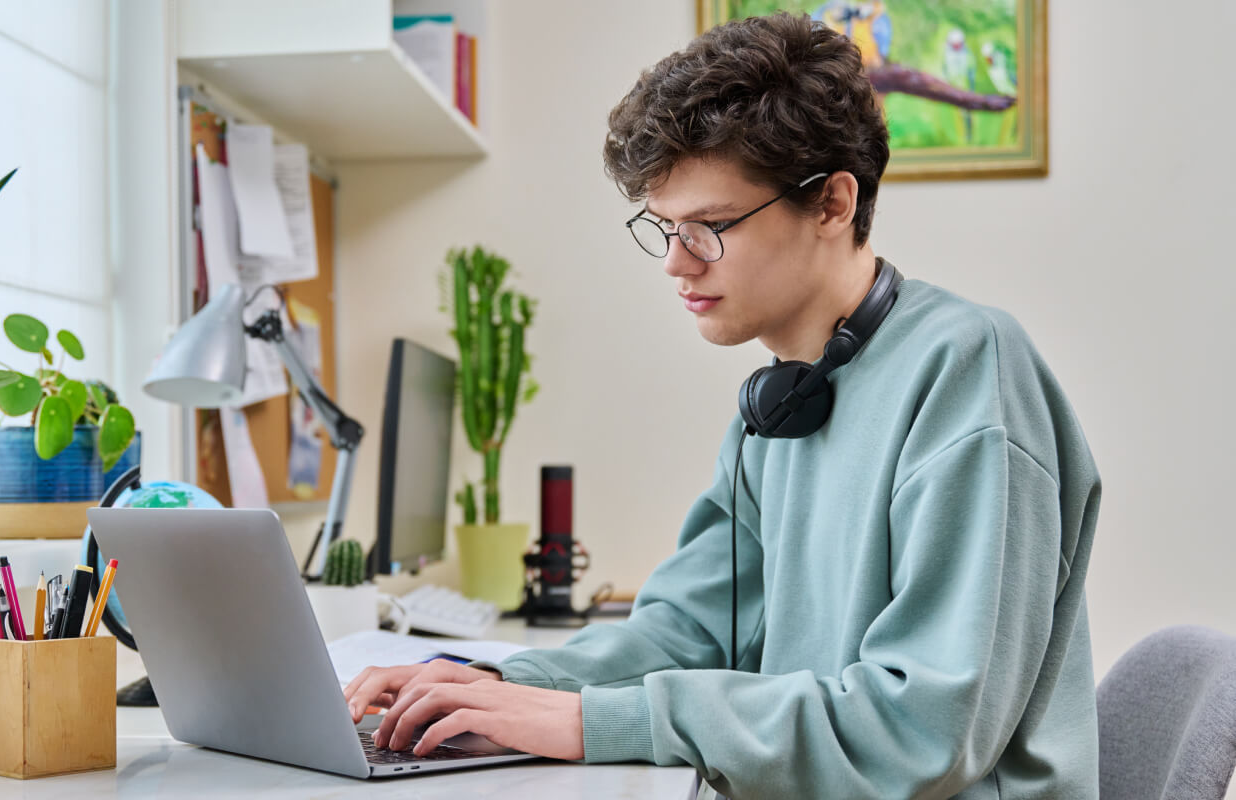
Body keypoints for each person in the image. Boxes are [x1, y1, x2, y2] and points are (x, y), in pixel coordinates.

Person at [343, 13, 1100, 798]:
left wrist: (587, 723)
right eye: (664, 228)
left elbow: (919, 732)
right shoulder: (781, 398)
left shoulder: (968, 371)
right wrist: (491, 682)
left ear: (833, 203)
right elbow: (688, 630)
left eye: (709, 228)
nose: (675, 263)